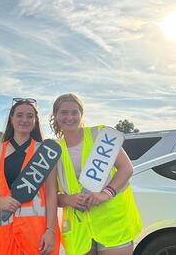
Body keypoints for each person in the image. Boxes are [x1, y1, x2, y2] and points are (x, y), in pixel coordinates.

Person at [49, 93, 142, 255]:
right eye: (64, 112)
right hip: (79, 229)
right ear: (55, 116)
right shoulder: (53, 150)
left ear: (81, 115)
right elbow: (50, 194)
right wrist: (68, 199)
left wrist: (106, 194)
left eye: (74, 112)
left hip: (112, 221)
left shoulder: (100, 135)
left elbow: (126, 168)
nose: (69, 117)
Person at [0, 98, 60, 255]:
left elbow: (52, 193)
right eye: (19, 115)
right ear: (11, 119)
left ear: (35, 120)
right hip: (4, 234)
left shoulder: (45, 152)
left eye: (30, 116)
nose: (24, 120)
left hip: (37, 233)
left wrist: (50, 231)